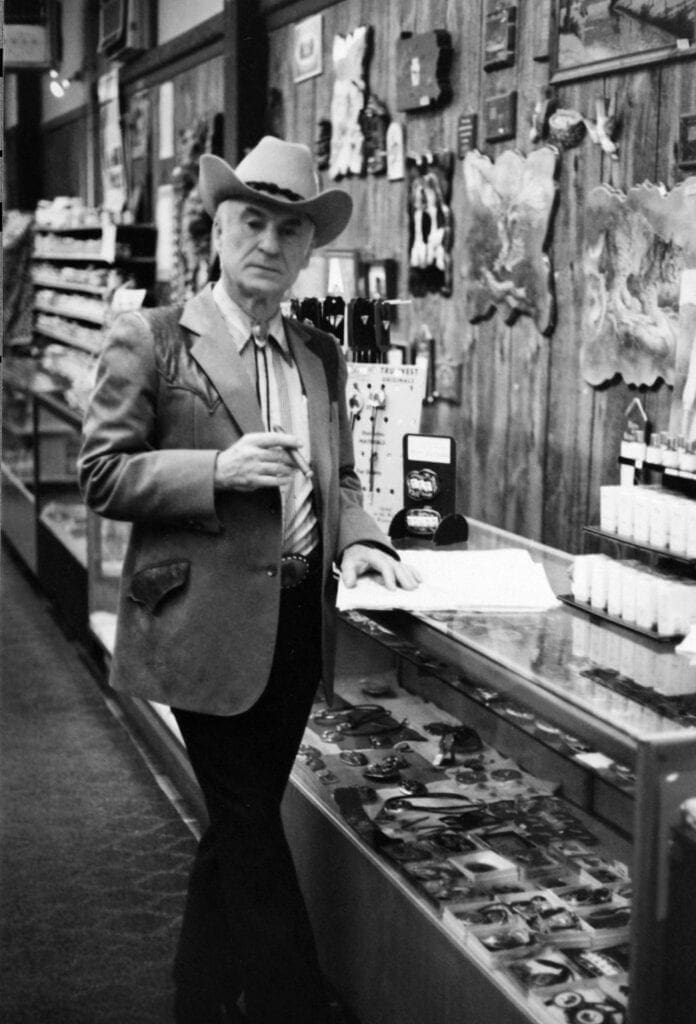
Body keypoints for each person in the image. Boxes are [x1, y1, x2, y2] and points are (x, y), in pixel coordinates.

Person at [78, 135, 419, 1024]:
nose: (271, 242)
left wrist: (362, 543)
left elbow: (337, 478)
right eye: (254, 221)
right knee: (254, 832)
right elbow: (103, 474)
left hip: (298, 623)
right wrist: (214, 471)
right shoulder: (151, 337)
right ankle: (293, 1002)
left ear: (309, 249)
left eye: (290, 230)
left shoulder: (318, 355)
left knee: (240, 825)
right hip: (203, 627)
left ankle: (198, 999)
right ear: (221, 230)